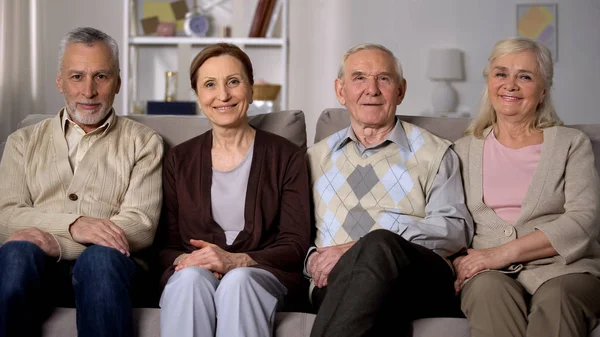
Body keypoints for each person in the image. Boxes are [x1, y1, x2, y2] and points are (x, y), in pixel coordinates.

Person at [0, 27, 164, 337]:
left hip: (111, 273)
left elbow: (140, 226)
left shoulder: (143, 142)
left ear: (117, 82)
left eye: (100, 77)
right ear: (60, 81)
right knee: (17, 252)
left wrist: (57, 242)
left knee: (100, 258)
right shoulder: (22, 141)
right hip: (37, 271)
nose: (88, 91)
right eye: (77, 77)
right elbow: (5, 216)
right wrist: (75, 225)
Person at [305, 43, 474, 337]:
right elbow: (292, 235)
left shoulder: (435, 153)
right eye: (359, 78)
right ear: (340, 90)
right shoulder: (313, 158)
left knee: (378, 243)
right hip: (335, 281)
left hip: (417, 277)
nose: (371, 89)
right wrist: (311, 260)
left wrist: (362, 247)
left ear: (401, 90)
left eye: (383, 78)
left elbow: (454, 227)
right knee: (374, 300)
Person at [156, 43, 311, 337]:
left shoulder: (287, 156)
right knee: (190, 280)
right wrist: (193, 261)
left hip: (261, 276)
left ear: (251, 90)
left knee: (237, 282)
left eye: (234, 82)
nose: (223, 95)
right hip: (194, 274)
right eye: (210, 85)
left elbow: (295, 245)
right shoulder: (179, 159)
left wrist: (233, 262)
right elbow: (165, 246)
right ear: (199, 96)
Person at [453, 37, 600, 337]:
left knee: (558, 300)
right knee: (487, 292)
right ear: (489, 82)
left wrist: (502, 253)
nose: (510, 85)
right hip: (488, 274)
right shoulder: (460, 151)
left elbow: (584, 221)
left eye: (525, 76)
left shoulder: (572, 144)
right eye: (501, 73)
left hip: (566, 269)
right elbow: (449, 220)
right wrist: (456, 259)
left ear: (544, 88)